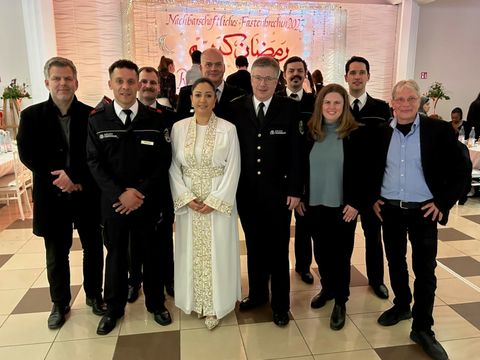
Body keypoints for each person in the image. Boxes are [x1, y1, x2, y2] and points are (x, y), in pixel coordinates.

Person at [371, 80, 467, 360]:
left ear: (420, 102)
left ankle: (423, 327)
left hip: (424, 211)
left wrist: (443, 202)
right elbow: (367, 168)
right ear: (392, 103)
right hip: (389, 209)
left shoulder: (437, 131)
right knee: (396, 261)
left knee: (425, 269)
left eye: (411, 99)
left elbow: (460, 169)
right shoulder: (380, 133)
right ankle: (402, 304)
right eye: (399, 99)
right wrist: (372, 197)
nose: (404, 104)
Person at [17, 57, 105, 329]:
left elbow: (95, 153)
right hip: (51, 195)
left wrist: (75, 178)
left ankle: (94, 295)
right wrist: (60, 178)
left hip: (85, 193)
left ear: (76, 82)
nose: (63, 83)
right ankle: (59, 302)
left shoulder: (91, 115)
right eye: (57, 78)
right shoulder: (31, 116)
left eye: (68, 78)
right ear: (47, 82)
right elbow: (27, 154)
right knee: (57, 252)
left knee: (92, 248)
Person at [87, 59, 173, 335]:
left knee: (153, 255)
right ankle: (113, 309)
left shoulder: (155, 120)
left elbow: (163, 162)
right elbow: (94, 162)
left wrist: (140, 192)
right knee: (115, 258)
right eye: (119, 81)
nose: (125, 87)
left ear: (138, 84)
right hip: (114, 205)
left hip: (147, 203)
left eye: (130, 81)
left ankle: (156, 304)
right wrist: (120, 194)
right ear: (111, 84)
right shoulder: (97, 120)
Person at [230, 56, 303, 327]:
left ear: (278, 80)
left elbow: (297, 153)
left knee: (278, 249)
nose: (262, 83)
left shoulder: (290, 109)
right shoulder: (236, 108)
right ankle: (258, 294)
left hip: (279, 193)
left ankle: (280, 304)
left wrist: (296, 190)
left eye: (269, 78)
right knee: (254, 246)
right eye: (258, 78)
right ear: (251, 79)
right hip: (247, 192)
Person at [169, 77, 241, 330]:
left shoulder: (228, 129)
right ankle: (194, 301)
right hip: (189, 201)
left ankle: (216, 304)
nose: (203, 100)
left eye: (208, 95)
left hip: (217, 200)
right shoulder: (178, 128)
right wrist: (186, 198)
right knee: (189, 250)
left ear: (215, 99)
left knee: (219, 250)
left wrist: (215, 200)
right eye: (198, 95)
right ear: (190, 98)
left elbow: (234, 168)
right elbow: (173, 167)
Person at [298, 83, 363, 330]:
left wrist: (356, 203)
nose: (332, 107)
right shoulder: (310, 133)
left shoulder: (355, 134)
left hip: (343, 208)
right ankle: (326, 289)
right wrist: (301, 198)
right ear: (320, 105)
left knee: (341, 255)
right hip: (314, 205)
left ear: (344, 106)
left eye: (337, 102)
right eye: (327, 102)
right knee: (321, 252)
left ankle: (340, 301)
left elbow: (363, 175)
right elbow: (300, 170)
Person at [125, 66, 176, 303]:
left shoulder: (169, 115)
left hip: (160, 190)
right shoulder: (125, 114)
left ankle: (168, 279)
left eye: (152, 83)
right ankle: (134, 281)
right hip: (131, 192)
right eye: (143, 82)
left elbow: (171, 155)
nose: (148, 86)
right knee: (132, 241)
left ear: (159, 87)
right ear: (137, 84)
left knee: (163, 238)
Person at [344, 55, 391, 299]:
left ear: (368, 77)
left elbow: (384, 155)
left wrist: (375, 193)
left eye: (362, 72)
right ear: (346, 77)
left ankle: (377, 280)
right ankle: (337, 286)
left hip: (373, 190)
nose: (357, 76)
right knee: (343, 242)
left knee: (374, 237)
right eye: (353, 72)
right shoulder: (337, 107)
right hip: (346, 190)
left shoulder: (381, 109)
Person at [277, 56, 315, 285]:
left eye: (300, 70)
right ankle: (277, 266)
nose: (295, 74)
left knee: (305, 226)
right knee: (280, 228)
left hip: (308, 174)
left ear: (305, 73)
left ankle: (303, 266)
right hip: (281, 177)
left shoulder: (315, 102)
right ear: (284, 74)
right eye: (291, 70)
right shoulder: (276, 101)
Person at [176, 48, 244, 121]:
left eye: (218, 64)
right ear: (201, 68)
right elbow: (180, 127)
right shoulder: (186, 94)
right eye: (208, 65)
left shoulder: (239, 95)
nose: (213, 69)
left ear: (224, 68)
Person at [450, 107, 472, 205]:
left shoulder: (466, 125)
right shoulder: (448, 125)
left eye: (456, 117)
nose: (454, 119)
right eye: (452, 117)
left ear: (460, 117)